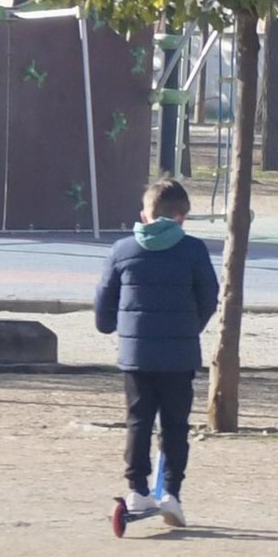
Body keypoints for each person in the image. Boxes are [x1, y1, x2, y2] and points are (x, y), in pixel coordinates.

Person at [94, 178, 220, 528]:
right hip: (179, 355)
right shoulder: (193, 250)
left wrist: (107, 325)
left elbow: (105, 296)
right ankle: (172, 495)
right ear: (183, 218)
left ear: (144, 215)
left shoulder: (122, 250)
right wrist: (189, 327)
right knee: (175, 425)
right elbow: (209, 296)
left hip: (136, 354)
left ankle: (137, 488)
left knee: (138, 420)